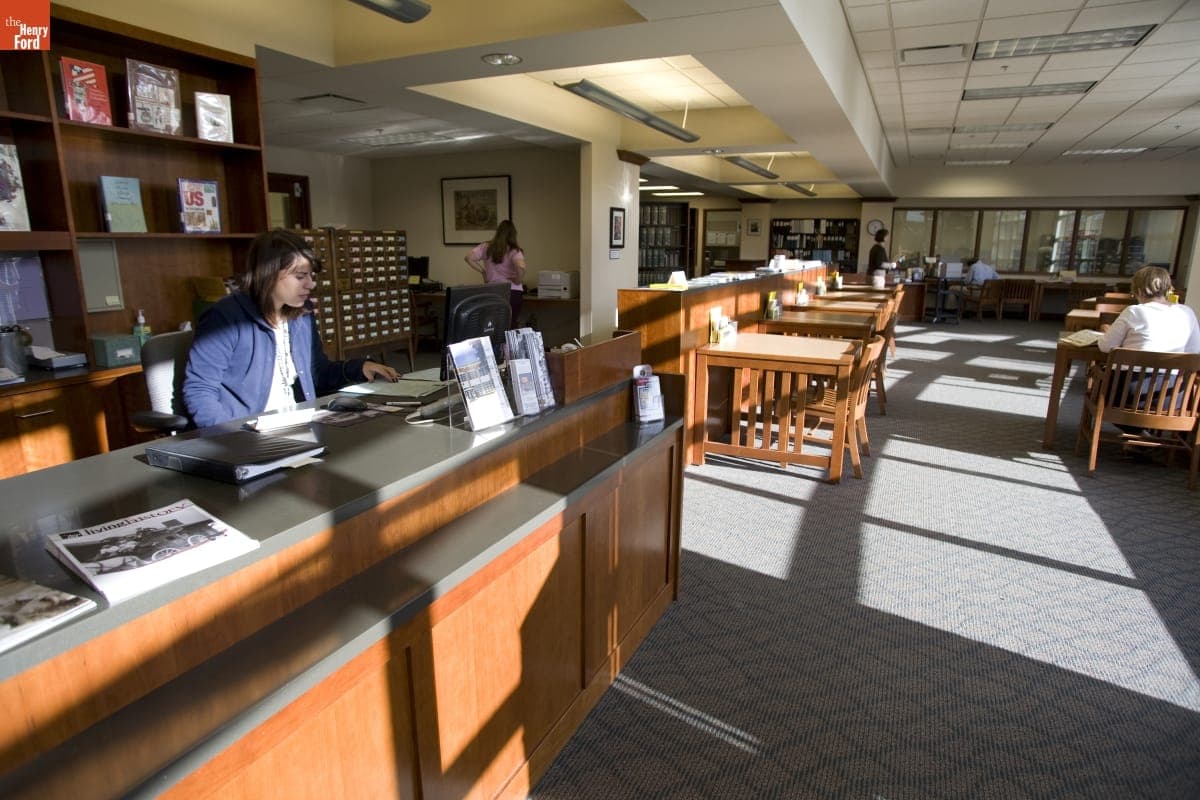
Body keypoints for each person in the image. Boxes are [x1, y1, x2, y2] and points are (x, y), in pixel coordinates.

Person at [183, 229, 398, 428]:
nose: (311, 284)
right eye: (300, 276)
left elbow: (317, 374)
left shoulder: (301, 315)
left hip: (299, 425)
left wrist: (360, 368)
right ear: (268, 274)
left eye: (311, 276)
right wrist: (232, 439)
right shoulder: (226, 318)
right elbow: (200, 392)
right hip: (249, 434)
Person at [1098, 265, 1200, 355]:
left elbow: (1106, 346)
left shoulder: (1134, 311)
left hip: (1131, 370)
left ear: (1139, 291)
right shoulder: (1187, 312)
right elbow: (1194, 350)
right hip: (1172, 371)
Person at [465, 219, 526, 324]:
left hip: (493, 291)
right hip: (513, 293)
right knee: (509, 326)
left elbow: (468, 258)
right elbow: (521, 267)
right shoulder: (514, 251)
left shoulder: (486, 246)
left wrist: (483, 272)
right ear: (513, 235)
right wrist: (517, 280)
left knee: (492, 326)